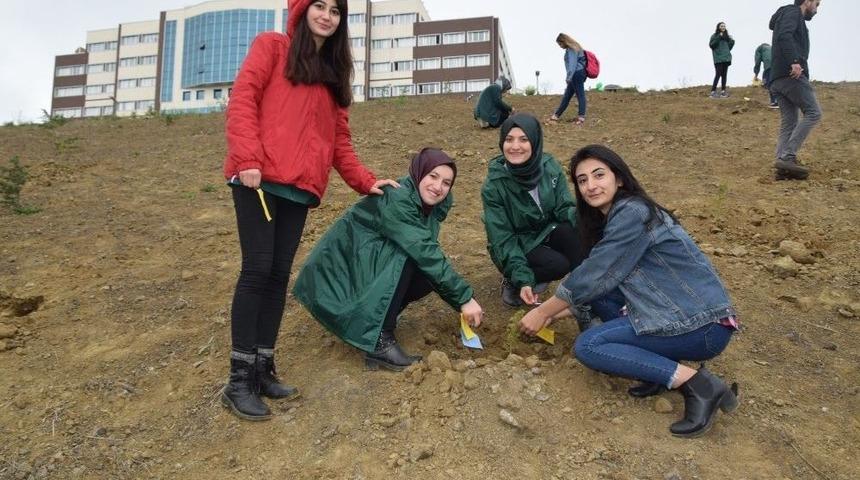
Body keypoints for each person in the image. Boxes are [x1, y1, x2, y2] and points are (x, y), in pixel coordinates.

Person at [221, 0, 399, 421]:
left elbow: (339, 140)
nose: (326, 15)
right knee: (257, 270)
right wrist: (247, 158)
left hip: (299, 189)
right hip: (258, 180)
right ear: (301, 11)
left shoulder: (333, 74)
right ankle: (238, 380)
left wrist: (363, 180)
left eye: (335, 11)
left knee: (279, 274)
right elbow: (243, 99)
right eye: (318, 6)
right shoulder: (272, 47)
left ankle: (263, 366)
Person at [518, 144, 740, 438]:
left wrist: (544, 311)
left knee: (590, 346)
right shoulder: (618, 215)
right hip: (675, 312)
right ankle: (655, 372)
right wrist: (556, 314)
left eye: (599, 175)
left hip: (701, 326)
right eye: (582, 180)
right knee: (599, 298)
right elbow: (603, 283)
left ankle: (699, 385)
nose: (590, 186)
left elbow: (595, 272)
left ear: (619, 178)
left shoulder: (633, 213)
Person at [293, 148, 484, 372]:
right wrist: (464, 298)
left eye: (446, 182)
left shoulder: (428, 206)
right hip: (336, 278)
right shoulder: (399, 198)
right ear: (419, 172)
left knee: (425, 275)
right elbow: (423, 251)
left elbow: (428, 254)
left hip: (358, 268)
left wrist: (460, 300)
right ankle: (379, 342)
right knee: (408, 258)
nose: (438, 186)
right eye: (432, 176)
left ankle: (377, 320)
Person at [481, 113, 587, 322]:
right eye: (509, 140)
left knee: (575, 234)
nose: (515, 146)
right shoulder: (494, 186)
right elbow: (503, 239)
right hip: (518, 242)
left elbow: (564, 207)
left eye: (523, 139)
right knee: (557, 265)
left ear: (535, 141)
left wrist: (590, 223)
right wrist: (523, 279)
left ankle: (588, 300)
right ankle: (514, 280)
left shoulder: (549, 166)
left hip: (546, 230)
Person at [768, 0, 823, 181]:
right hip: (790, 74)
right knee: (814, 112)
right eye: (817, 3)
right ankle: (788, 156)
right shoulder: (792, 12)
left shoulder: (785, 15)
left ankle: (782, 166)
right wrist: (794, 61)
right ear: (807, 1)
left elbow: (782, 33)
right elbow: (784, 35)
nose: (817, 9)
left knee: (790, 122)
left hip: (777, 78)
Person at [549, 33, 587, 124]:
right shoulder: (576, 47)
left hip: (575, 74)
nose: (560, 46)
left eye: (560, 44)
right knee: (567, 96)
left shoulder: (571, 49)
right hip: (579, 73)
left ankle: (581, 117)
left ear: (564, 41)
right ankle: (556, 115)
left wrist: (569, 77)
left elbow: (572, 64)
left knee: (580, 95)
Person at [708, 22, 735, 98]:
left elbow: (728, 48)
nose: (723, 27)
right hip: (718, 59)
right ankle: (713, 92)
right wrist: (719, 37)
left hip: (726, 58)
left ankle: (723, 92)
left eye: (724, 26)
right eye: (721, 26)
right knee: (718, 74)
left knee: (724, 75)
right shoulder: (714, 36)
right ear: (718, 27)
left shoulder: (727, 37)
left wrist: (732, 41)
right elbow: (711, 45)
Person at [753, 43, 778, 108]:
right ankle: (778, 101)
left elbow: (757, 62)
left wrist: (756, 74)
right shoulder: (771, 47)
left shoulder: (759, 49)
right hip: (778, 66)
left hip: (769, 67)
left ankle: (774, 102)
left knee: (769, 83)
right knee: (776, 82)